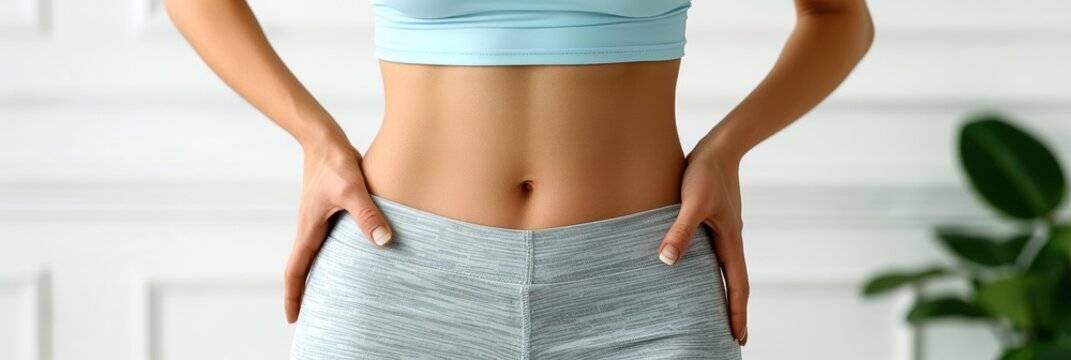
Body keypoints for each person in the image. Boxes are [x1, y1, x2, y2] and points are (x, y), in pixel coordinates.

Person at [166, 0, 873, 358]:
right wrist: (315, 140)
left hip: (641, 283)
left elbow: (838, 15)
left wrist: (725, 149)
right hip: (399, 278)